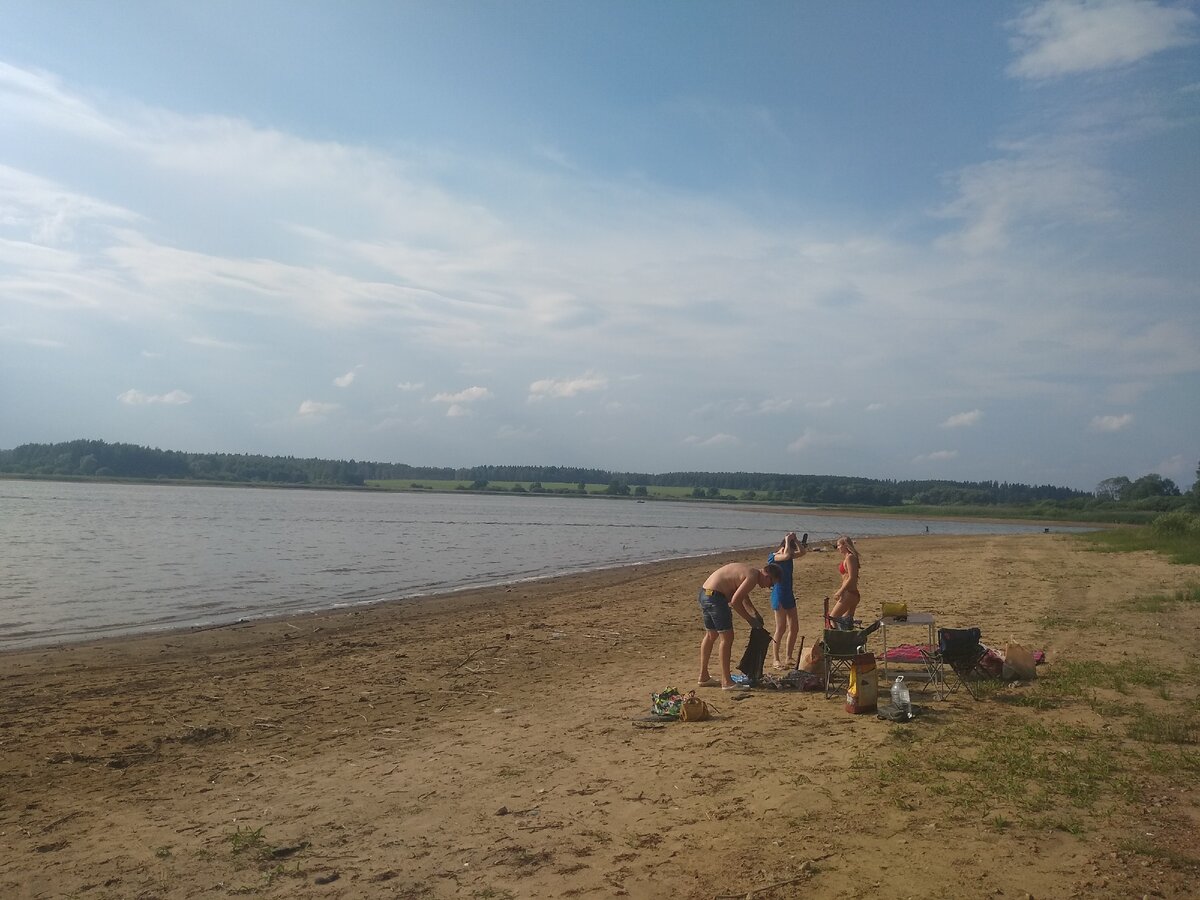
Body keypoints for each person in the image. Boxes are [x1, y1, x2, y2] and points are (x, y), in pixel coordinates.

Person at [697, 561, 782, 689]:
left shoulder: (750, 572)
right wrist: (750, 620)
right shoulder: (752, 577)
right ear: (767, 576)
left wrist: (754, 613)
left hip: (705, 594)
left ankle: (703, 677)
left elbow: (743, 596)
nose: (768, 587)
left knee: (711, 635)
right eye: (771, 584)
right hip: (716, 598)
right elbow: (735, 602)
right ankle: (727, 681)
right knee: (727, 638)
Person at [767, 532, 807, 669]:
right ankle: (776, 659)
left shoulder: (789, 557)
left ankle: (788, 656)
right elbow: (787, 555)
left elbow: (802, 552)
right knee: (781, 628)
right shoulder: (773, 557)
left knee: (794, 627)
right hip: (779, 595)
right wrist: (786, 539)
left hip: (789, 594)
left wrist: (795, 540)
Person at [828, 535, 862, 629]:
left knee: (833, 618)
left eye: (839, 545)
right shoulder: (848, 557)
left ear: (844, 545)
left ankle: (838, 640)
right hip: (851, 593)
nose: (838, 547)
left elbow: (851, 577)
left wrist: (841, 591)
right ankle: (846, 641)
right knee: (846, 622)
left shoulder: (850, 558)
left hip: (850, 594)